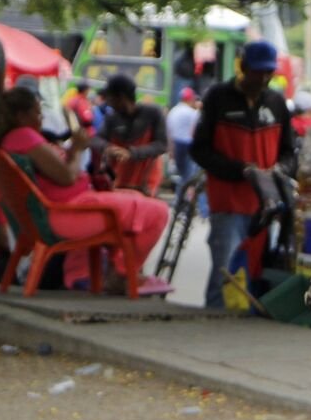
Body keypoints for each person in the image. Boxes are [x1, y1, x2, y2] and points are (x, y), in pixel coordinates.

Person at [0, 86, 171, 295]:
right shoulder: (25, 136)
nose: (41, 117)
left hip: (54, 213)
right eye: (37, 111)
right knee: (158, 211)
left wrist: (72, 151)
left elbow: (57, 171)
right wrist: (78, 148)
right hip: (64, 215)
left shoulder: (11, 140)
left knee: (133, 199)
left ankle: (117, 271)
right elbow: (67, 176)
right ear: (21, 116)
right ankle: (123, 274)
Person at [190, 39, 295, 309]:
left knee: (255, 271)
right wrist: (241, 170)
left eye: (268, 72)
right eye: (257, 71)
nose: (262, 78)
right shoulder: (217, 98)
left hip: (265, 206)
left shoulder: (277, 103)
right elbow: (199, 150)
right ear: (243, 67)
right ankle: (211, 321)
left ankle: (247, 326)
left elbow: (289, 153)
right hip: (228, 203)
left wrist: (280, 169)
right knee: (223, 272)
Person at [90, 74, 167, 196]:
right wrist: (108, 148)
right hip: (118, 180)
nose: (108, 103)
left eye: (110, 98)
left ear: (121, 97)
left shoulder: (153, 113)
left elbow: (161, 145)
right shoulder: (112, 117)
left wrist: (131, 153)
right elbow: (95, 140)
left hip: (146, 182)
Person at [166, 86, 200, 184]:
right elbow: (195, 130)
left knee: (182, 174)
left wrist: (170, 150)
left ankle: (179, 196)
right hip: (189, 145)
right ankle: (182, 196)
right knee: (189, 175)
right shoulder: (193, 113)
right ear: (191, 99)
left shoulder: (173, 111)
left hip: (176, 144)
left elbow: (169, 132)